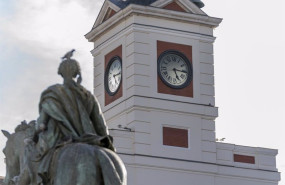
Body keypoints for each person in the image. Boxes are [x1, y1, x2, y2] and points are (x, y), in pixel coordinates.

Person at [34, 57, 115, 184]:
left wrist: (36, 132)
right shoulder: (88, 96)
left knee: (42, 167)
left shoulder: (52, 94)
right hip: (91, 139)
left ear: (60, 73)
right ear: (77, 73)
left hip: (64, 142)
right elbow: (101, 128)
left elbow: (41, 125)